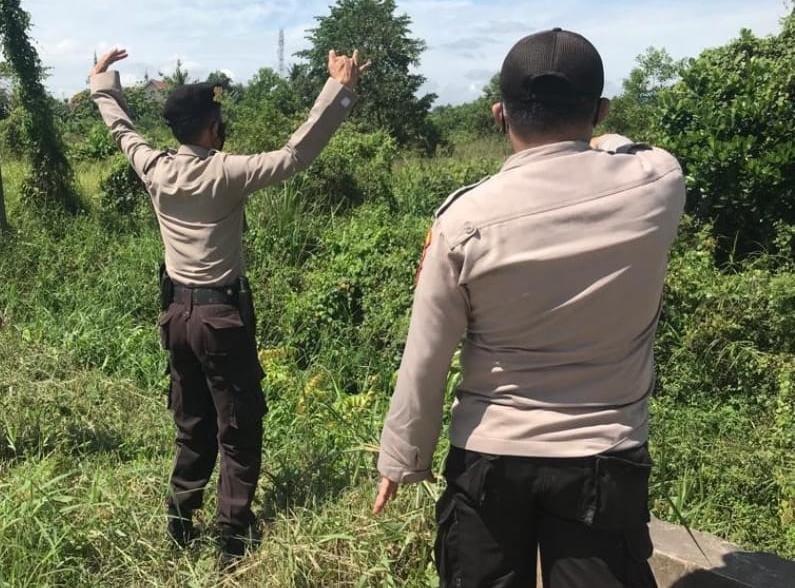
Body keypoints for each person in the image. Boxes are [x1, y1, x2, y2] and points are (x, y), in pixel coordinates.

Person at [373, 28, 685, 588]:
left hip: (490, 456)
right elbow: (628, 146)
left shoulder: (463, 222)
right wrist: (596, 136)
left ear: (499, 115)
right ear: (600, 110)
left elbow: (427, 355)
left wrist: (403, 457)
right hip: (604, 456)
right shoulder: (657, 184)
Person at [89, 47, 368, 566]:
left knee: (192, 423)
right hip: (221, 319)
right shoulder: (228, 173)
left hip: (175, 318)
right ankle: (231, 539)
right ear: (213, 127)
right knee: (238, 429)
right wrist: (339, 89)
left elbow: (122, 130)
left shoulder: (154, 168)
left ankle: (179, 522)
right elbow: (295, 154)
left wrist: (102, 82)